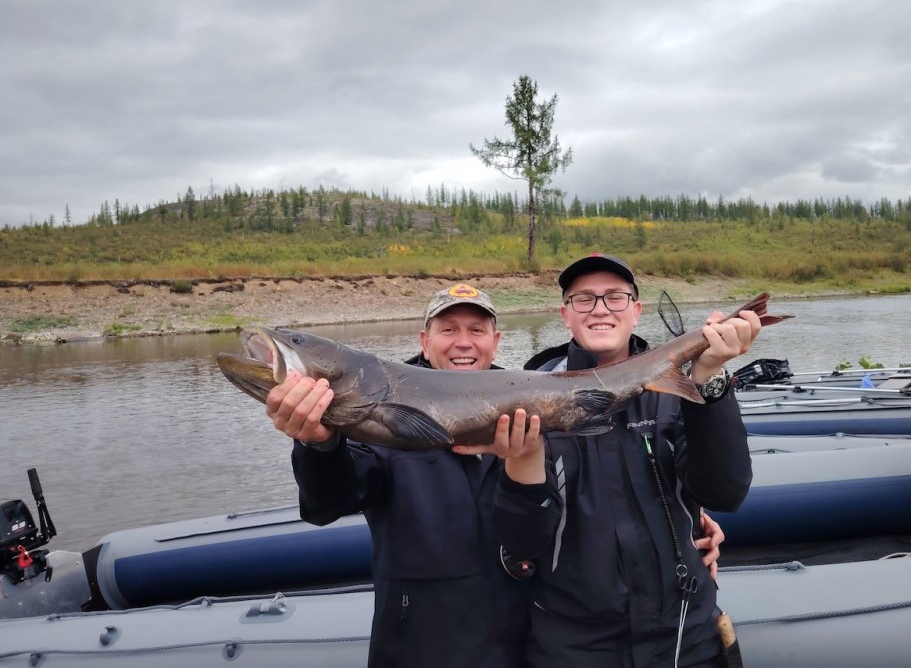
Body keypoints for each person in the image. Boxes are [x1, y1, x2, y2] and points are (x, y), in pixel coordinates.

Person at [265, 282, 726, 668]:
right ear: (425, 341)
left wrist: (685, 527)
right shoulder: (380, 418)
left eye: (477, 330)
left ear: (496, 340)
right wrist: (317, 443)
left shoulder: (537, 407)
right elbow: (328, 503)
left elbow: (591, 502)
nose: (463, 342)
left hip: (526, 639)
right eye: (448, 329)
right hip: (424, 644)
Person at [494, 254, 759, 668]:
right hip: (574, 650)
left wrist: (710, 380)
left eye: (615, 297)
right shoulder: (530, 403)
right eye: (584, 299)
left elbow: (724, 492)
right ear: (565, 315)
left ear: (636, 311)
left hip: (686, 637)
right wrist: (521, 464)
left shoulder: (677, 393)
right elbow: (523, 544)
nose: (600, 309)